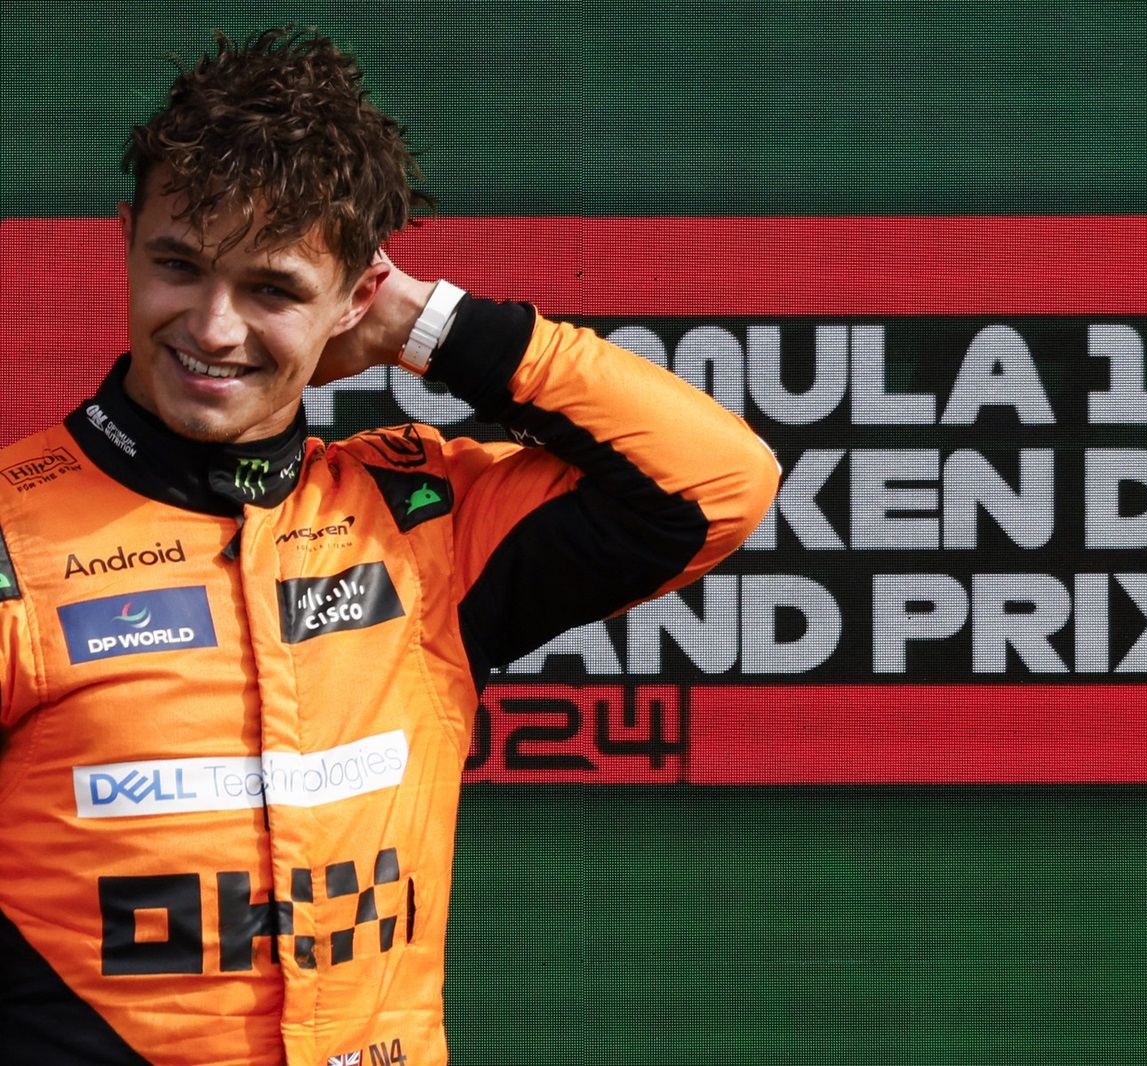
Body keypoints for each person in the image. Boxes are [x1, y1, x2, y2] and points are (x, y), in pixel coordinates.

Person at [0, 26, 778, 1066]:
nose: (214, 327)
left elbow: (717, 481)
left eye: (272, 288)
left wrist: (432, 324)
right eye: (177, 266)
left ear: (355, 299)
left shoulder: (420, 523)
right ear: (127, 237)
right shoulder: (12, 533)